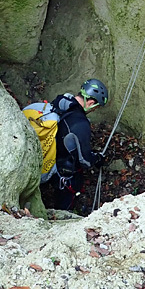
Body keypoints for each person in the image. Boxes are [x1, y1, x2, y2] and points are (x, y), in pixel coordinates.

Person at [47, 78, 109, 211]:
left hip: (48, 155)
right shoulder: (80, 123)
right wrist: (98, 158)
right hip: (62, 171)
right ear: (91, 103)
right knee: (65, 201)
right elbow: (85, 161)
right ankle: (63, 215)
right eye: (96, 107)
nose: (94, 110)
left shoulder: (62, 101)